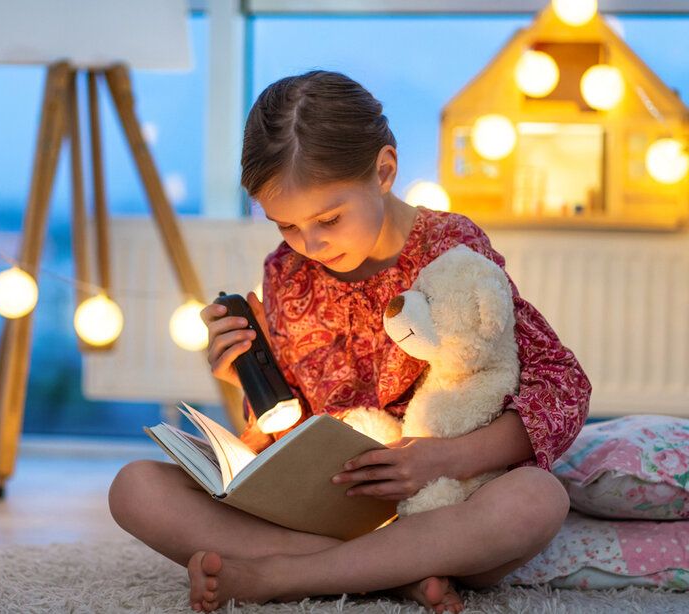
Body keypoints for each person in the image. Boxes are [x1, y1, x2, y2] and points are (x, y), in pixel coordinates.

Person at [108, 70, 591, 613]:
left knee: (537, 500)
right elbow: (298, 427)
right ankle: (391, 573)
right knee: (135, 488)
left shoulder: (452, 249)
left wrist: (443, 459)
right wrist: (252, 381)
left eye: (329, 219)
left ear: (384, 171)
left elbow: (562, 385)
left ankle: (286, 575)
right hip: (334, 504)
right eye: (285, 226)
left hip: (441, 500)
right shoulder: (286, 272)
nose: (310, 245)